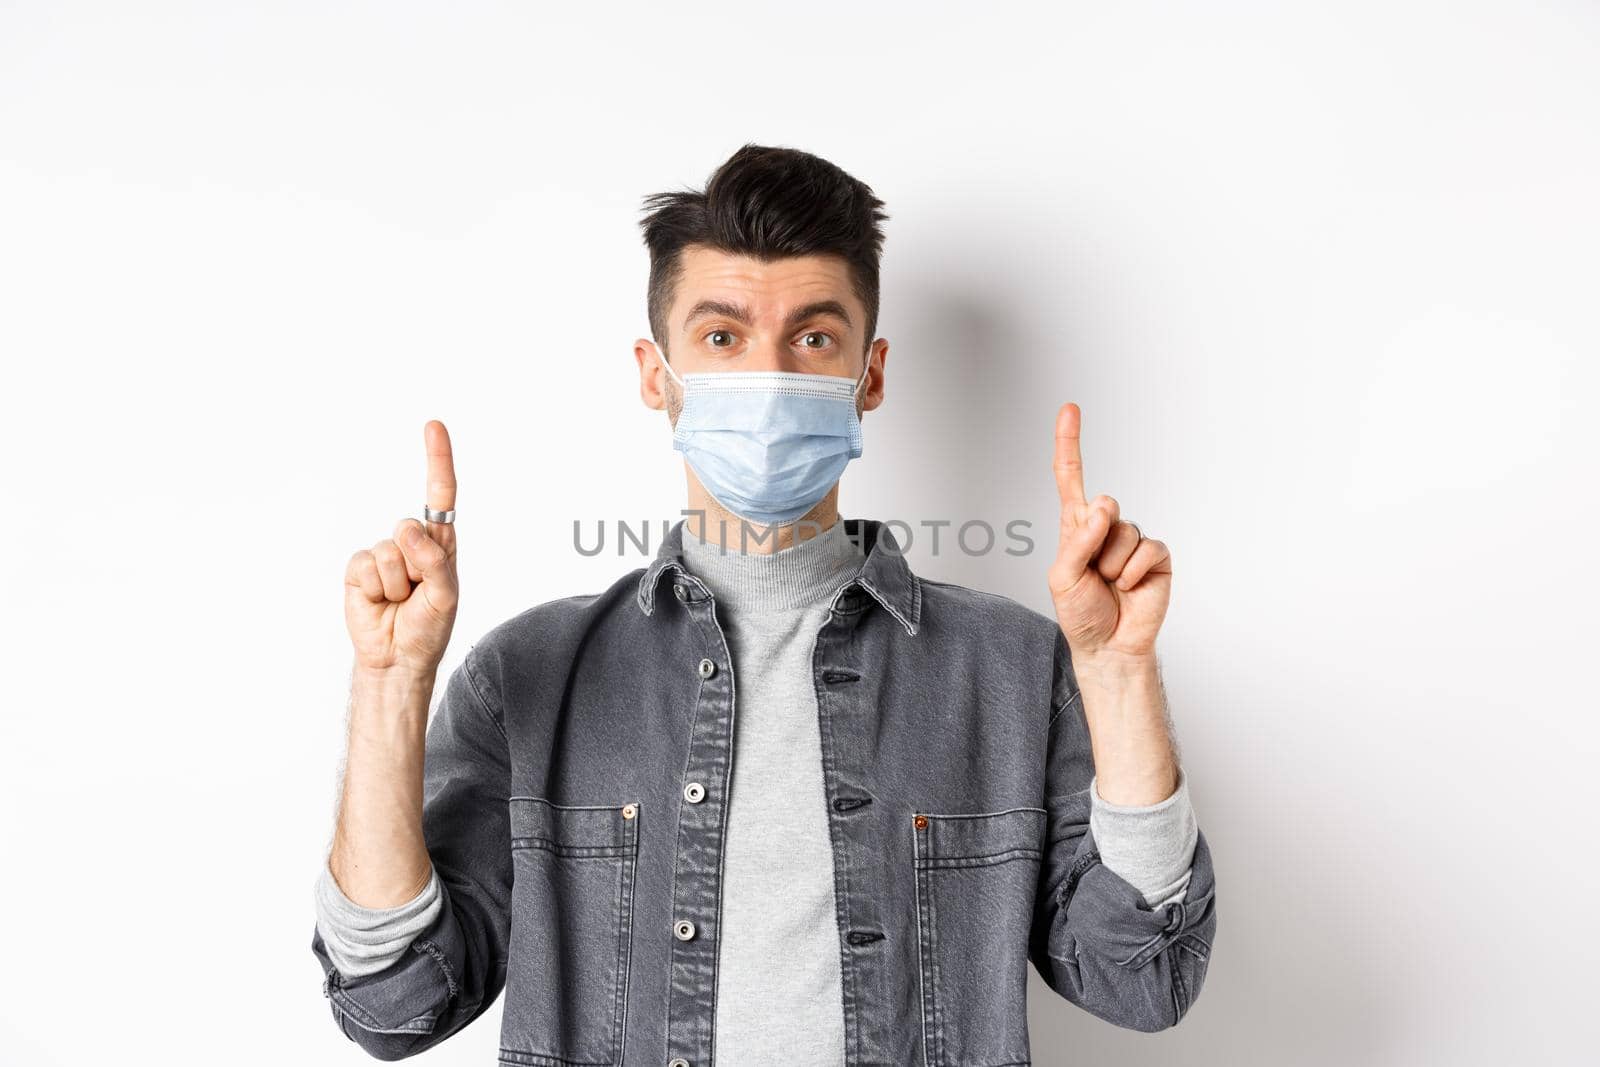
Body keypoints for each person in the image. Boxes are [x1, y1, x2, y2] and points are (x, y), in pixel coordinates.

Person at [309, 143, 1216, 1066]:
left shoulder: (1014, 668)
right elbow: (394, 1005)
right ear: (656, 375)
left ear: (870, 374)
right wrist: (390, 680)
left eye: (814, 337)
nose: (770, 375)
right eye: (722, 337)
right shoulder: (530, 675)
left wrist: (1118, 670)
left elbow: (1144, 979)